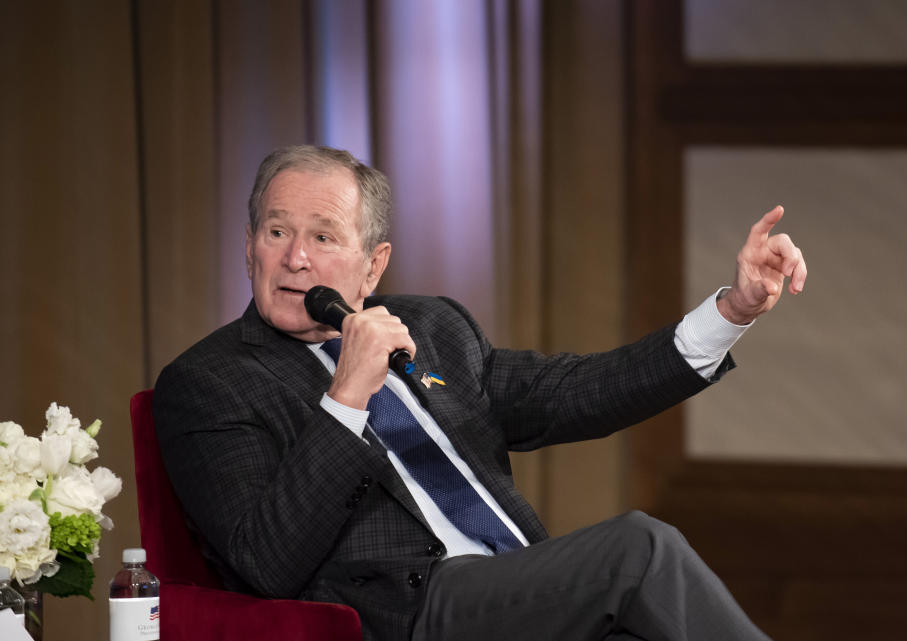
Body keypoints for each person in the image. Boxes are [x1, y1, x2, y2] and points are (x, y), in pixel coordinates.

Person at [154, 145, 807, 641]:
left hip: (514, 584)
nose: (295, 257)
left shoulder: (431, 326)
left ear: (372, 264)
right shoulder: (210, 382)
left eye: (322, 236)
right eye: (276, 232)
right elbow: (265, 561)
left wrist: (733, 311)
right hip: (411, 611)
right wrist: (345, 396)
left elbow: (579, 391)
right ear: (248, 248)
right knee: (640, 547)